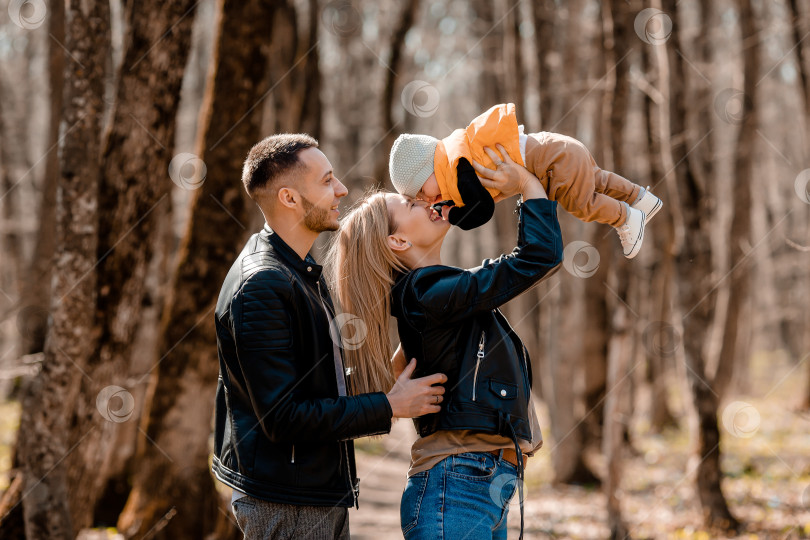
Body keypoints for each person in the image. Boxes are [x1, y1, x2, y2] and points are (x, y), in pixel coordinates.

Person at [212, 133, 448, 539]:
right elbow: (284, 419)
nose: (341, 189)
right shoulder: (262, 286)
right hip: (286, 501)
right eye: (326, 181)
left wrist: (386, 376)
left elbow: (316, 383)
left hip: (309, 492)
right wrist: (389, 405)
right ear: (288, 198)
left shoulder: (298, 271)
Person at [328, 146, 563, 539]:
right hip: (456, 484)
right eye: (411, 202)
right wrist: (525, 183)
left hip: (477, 480)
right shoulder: (427, 293)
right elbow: (538, 256)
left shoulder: (429, 297)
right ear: (398, 242)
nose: (428, 200)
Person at [388, 102, 662, 258]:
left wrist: (453, 214)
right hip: (557, 147)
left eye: (423, 192)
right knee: (597, 180)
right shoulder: (458, 151)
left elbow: (481, 210)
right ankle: (642, 199)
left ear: (429, 170)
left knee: (583, 204)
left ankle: (626, 218)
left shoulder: (459, 167)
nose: (430, 200)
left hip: (554, 164)